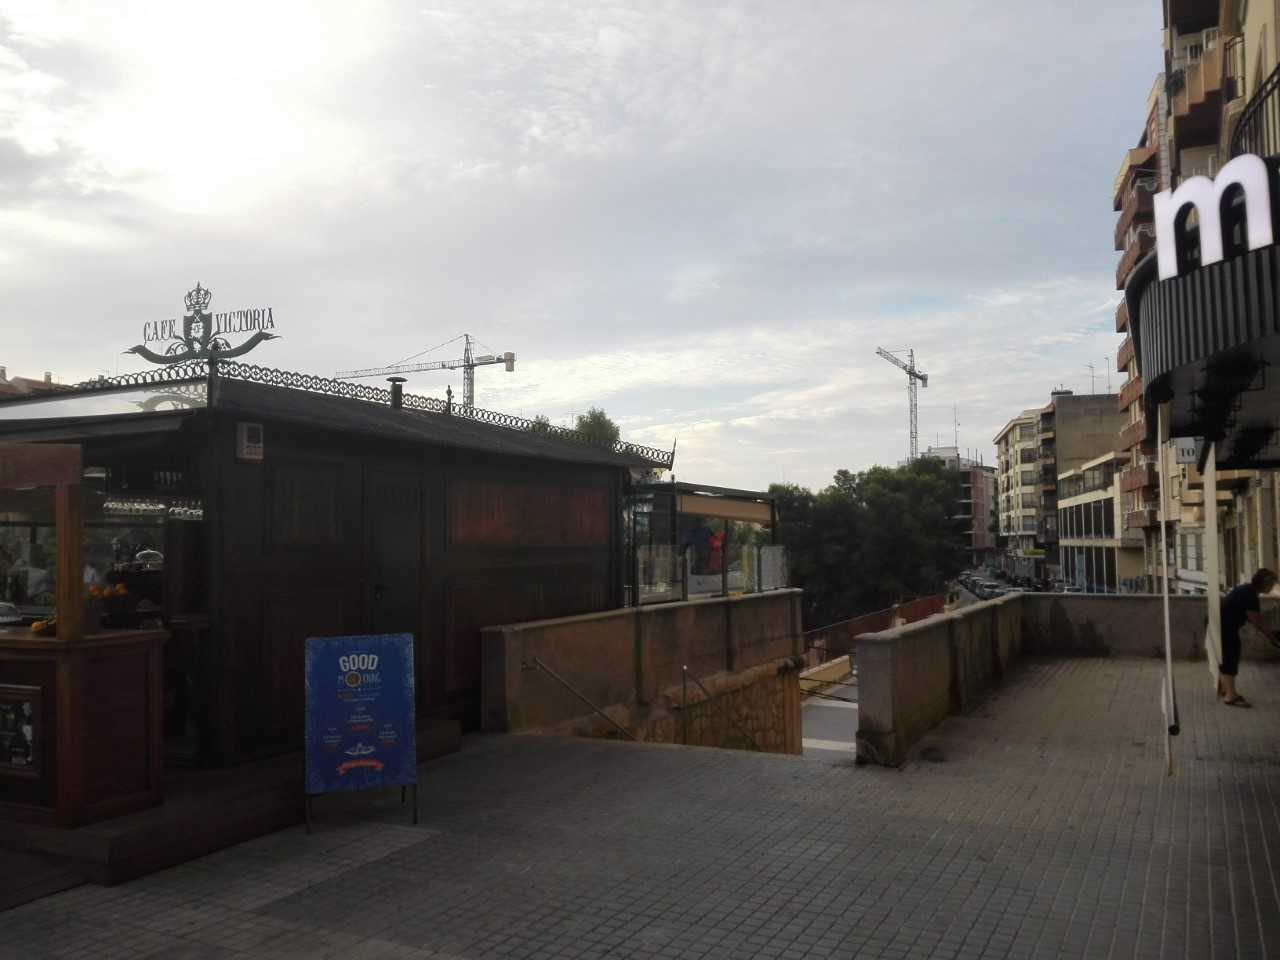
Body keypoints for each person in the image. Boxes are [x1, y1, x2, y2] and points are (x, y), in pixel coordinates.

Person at [1218, 568, 1279, 707]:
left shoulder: (1247, 590)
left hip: (1221, 624)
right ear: (1264, 583)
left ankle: (1226, 690)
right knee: (1231, 657)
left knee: (1227, 657)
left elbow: (1253, 618)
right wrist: (1273, 639)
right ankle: (1230, 696)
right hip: (1224, 627)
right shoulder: (1250, 595)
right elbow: (1258, 623)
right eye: (1271, 584)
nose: (1272, 587)